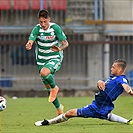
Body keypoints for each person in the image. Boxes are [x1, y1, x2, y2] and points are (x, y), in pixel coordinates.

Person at [35, 59, 133, 126]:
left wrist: (130, 91)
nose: (111, 68)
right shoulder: (113, 78)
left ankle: (48, 122)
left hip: (97, 108)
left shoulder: (121, 79)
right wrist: (99, 82)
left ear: (119, 69)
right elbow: (104, 86)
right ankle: (128, 122)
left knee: (70, 113)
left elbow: (126, 86)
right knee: (106, 115)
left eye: (113, 67)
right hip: (100, 105)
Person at [25, 9, 69, 115]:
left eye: (45, 21)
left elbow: (66, 43)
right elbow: (30, 41)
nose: (43, 24)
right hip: (41, 60)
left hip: (54, 57)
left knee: (44, 73)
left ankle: (55, 87)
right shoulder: (36, 29)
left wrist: (59, 48)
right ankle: (59, 110)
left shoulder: (55, 28)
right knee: (49, 91)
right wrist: (29, 45)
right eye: (41, 22)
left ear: (49, 19)